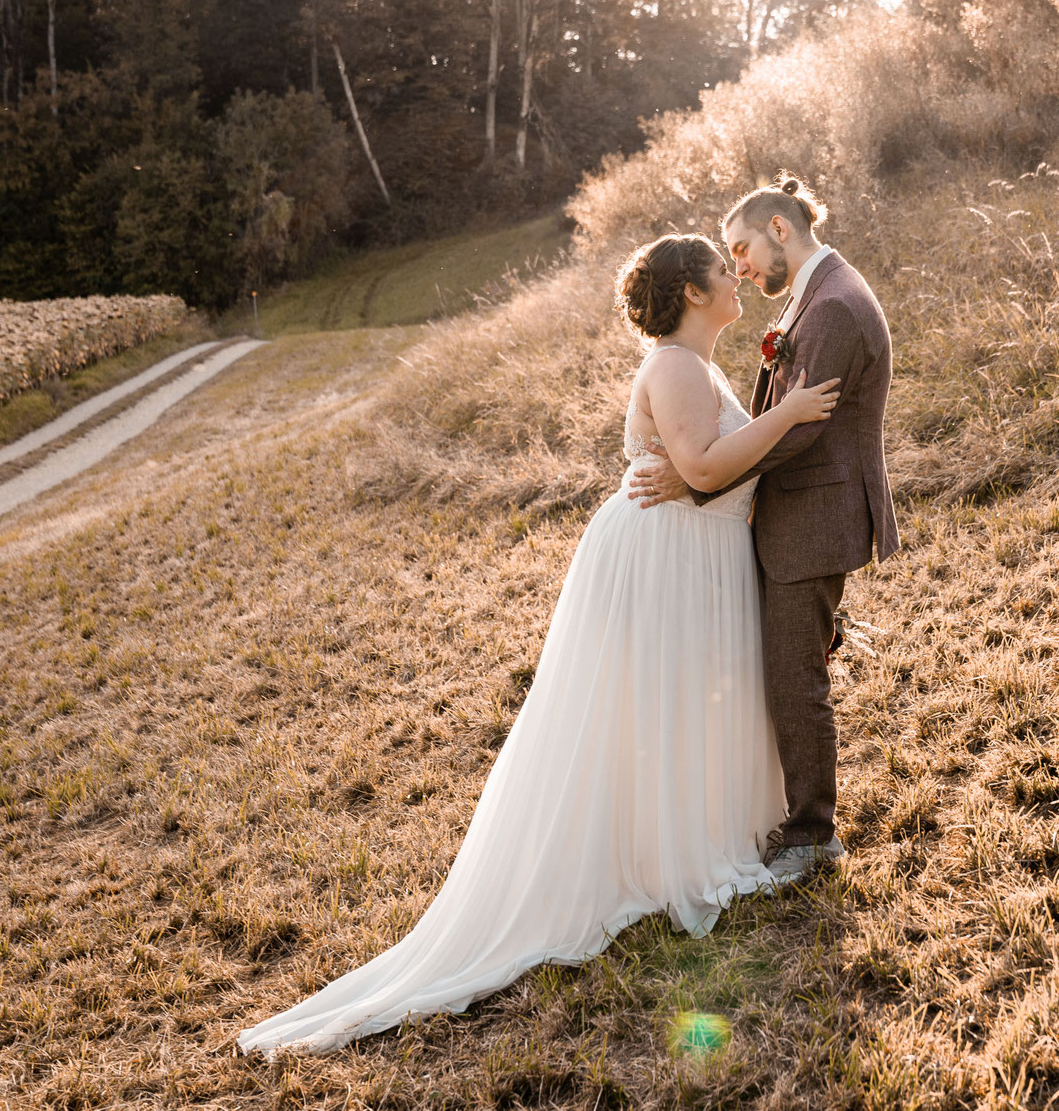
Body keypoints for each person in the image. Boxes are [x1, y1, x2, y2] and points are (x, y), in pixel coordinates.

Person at [237, 233, 839, 1057]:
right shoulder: (672, 365)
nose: (737, 274)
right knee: (645, 710)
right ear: (692, 292)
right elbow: (698, 464)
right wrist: (789, 414)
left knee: (676, 709)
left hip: (697, 554)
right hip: (665, 556)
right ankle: (658, 859)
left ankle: (683, 839)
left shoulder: (698, 366)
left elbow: (706, 468)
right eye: (720, 266)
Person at [628, 174, 898, 885]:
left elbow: (802, 434)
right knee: (787, 672)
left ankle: (812, 833)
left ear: (780, 229)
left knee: (795, 680)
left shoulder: (833, 304)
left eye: (741, 248)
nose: (740, 266)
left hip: (811, 513)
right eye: (728, 259)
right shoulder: (819, 293)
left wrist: (697, 476)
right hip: (793, 515)